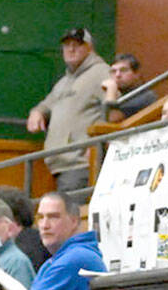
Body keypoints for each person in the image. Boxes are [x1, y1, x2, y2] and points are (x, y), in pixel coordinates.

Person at [27, 27, 111, 193]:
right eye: (67, 45)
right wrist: (37, 112)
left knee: (70, 214)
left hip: (80, 165)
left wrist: (98, 141)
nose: (71, 49)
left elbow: (116, 110)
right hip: (58, 165)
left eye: (77, 45)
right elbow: (47, 103)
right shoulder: (64, 81)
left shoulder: (101, 72)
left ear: (90, 47)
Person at [102, 53, 158, 121]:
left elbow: (113, 119)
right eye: (113, 71)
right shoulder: (119, 95)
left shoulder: (145, 96)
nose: (117, 75)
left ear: (137, 74)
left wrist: (111, 90)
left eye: (123, 70)